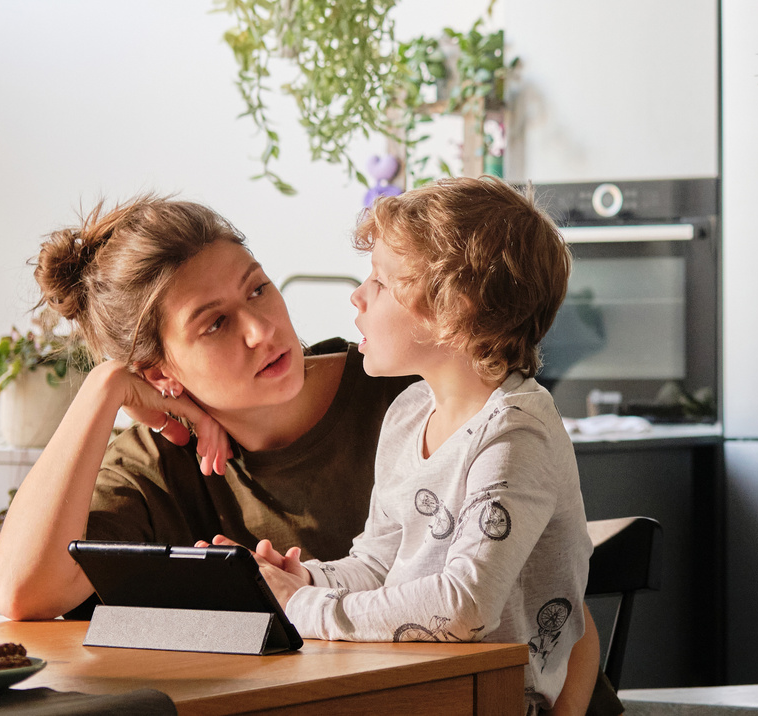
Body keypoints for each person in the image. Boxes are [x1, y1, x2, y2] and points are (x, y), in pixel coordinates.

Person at [0, 194, 610, 716]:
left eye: (257, 289)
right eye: (214, 324)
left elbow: (549, 607)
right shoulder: (158, 461)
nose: (261, 329)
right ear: (160, 372)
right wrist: (103, 388)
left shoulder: (415, 382)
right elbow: (22, 594)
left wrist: (297, 602)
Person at [248, 178, 588, 716]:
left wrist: (306, 607)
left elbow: (464, 607)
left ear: (454, 309)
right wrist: (305, 579)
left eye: (380, 282)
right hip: (407, 680)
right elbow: (382, 562)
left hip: (484, 698)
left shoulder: (515, 433)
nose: (357, 296)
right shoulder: (409, 411)